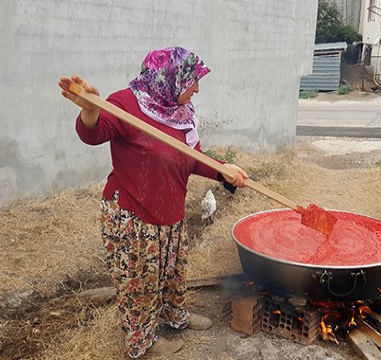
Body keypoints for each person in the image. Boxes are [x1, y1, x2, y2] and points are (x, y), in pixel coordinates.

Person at [58, 47, 248, 358]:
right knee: (140, 281)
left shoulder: (180, 112)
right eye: (193, 81)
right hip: (134, 212)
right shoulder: (126, 104)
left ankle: (174, 317)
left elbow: (192, 158)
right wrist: (90, 109)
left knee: (173, 271)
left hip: (171, 209)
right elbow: (93, 133)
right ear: (171, 77)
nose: (197, 88)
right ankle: (142, 341)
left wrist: (222, 170)